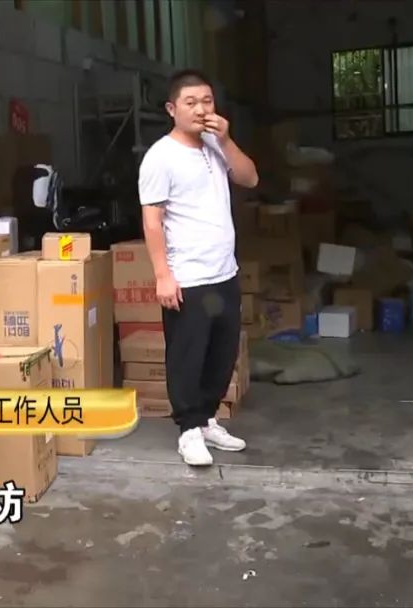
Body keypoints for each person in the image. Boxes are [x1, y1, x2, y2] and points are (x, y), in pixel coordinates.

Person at [137, 69, 259, 467]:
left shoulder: (214, 145)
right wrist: (163, 275)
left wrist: (225, 139)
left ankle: (207, 420)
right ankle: (188, 430)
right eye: (190, 102)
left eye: (206, 101)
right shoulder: (160, 157)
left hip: (224, 272)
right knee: (187, 356)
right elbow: (152, 221)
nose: (200, 109)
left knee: (222, 355)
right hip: (188, 277)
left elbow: (250, 178)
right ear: (172, 109)